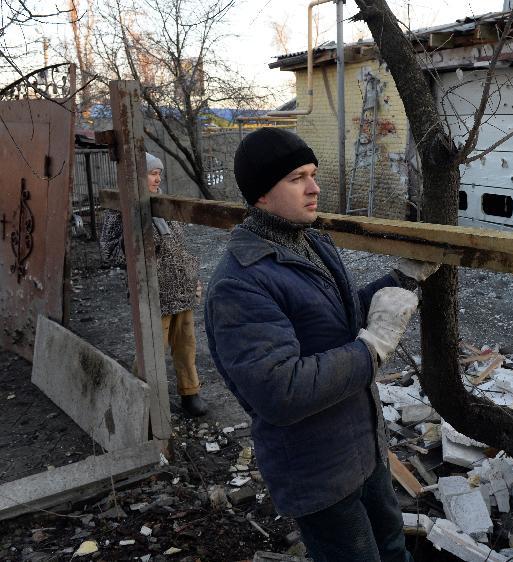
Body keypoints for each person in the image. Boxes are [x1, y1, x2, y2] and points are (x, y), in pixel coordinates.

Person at [204, 127, 438, 562]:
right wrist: (373, 348)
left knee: (392, 548)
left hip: (362, 446)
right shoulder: (240, 284)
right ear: (260, 195)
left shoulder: (308, 241)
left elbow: (338, 320)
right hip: (317, 471)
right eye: (297, 178)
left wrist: (402, 280)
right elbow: (281, 391)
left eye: (312, 174)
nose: (314, 188)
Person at [99, 153, 208, 416]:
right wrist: (142, 240)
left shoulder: (164, 205)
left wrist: (192, 276)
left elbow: (179, 247)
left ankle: (190, 393)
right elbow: (109, 252)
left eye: (159, 173)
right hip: (152, 293)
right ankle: (145, 402)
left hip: (180, 288)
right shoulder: (120, 208)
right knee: (151, 351)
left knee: (185, 346)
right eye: (152, 173)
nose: (157, 178)